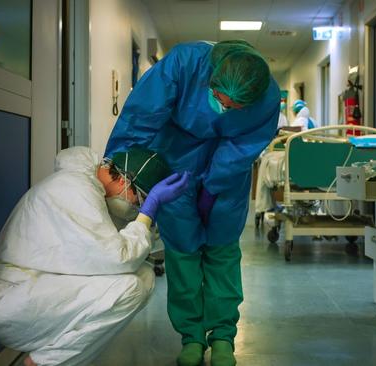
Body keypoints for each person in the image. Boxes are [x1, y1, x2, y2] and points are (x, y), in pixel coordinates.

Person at [105, 40, 280, 366]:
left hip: (228, 172)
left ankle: (224, 335)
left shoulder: (267, 96)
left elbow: (243, 147)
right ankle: (191, 336)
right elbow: (142, 114)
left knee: (222, 250)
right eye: (218, 100)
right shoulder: (186, 63)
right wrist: (122, 166)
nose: (223, 110)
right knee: (182, 250)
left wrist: (213, 187)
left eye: (234, 108)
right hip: (175, 157)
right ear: (210, 81)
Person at [0, 146, 189, 366]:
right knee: (129, 288)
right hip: (10, 301)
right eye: (138, 201)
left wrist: (148, 216)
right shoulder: (75, 190)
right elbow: (119, 258)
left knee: (143, 275)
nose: (136, 208)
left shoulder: (89, 188)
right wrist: (148, 212)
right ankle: (43, 363)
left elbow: (119, 246)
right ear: (124, 181)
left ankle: (46, 360)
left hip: (31, 287)